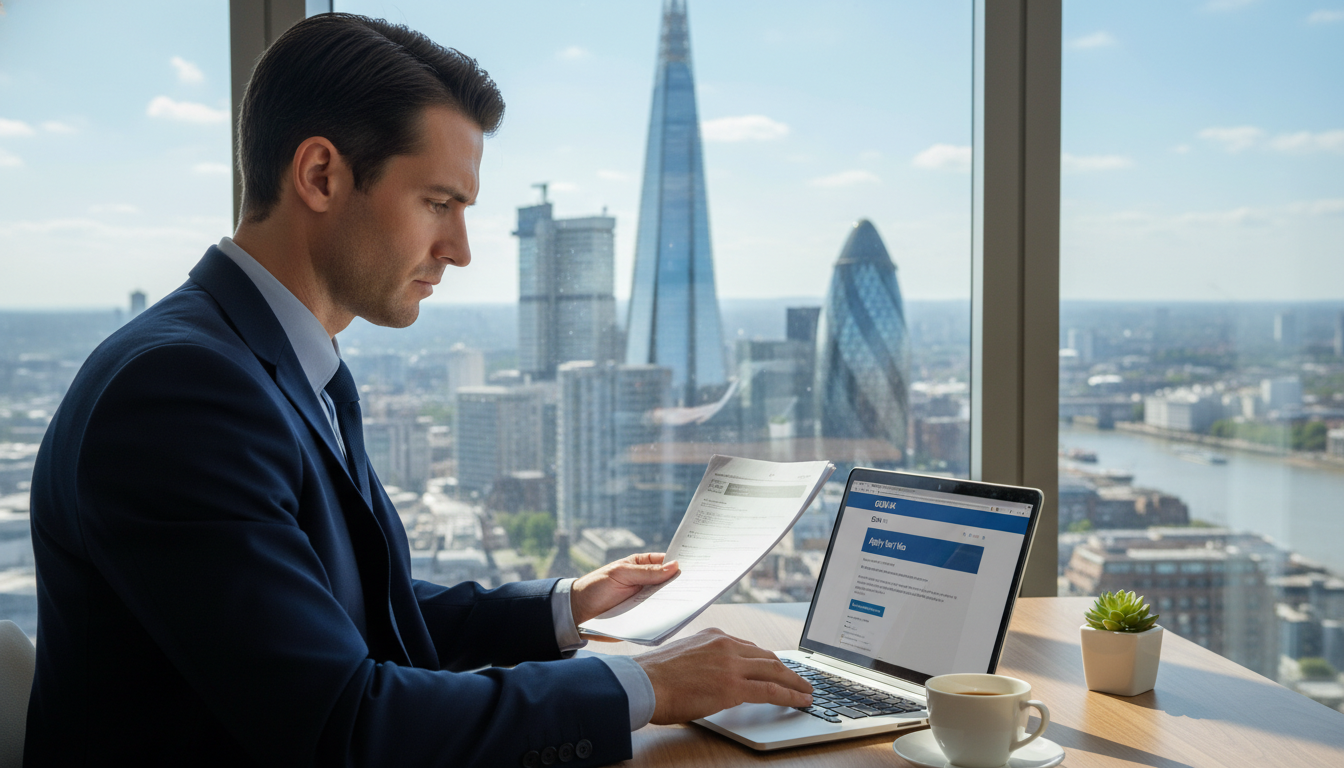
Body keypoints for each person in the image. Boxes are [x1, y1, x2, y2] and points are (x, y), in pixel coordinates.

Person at [24, 12, 812, 767]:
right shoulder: (180, 394)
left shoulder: (269, 360)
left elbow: (354, 611)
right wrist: (647, 683)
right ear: (322, 174)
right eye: (439, 203)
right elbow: (343, 725)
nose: (460, 250)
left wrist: (567, 604)